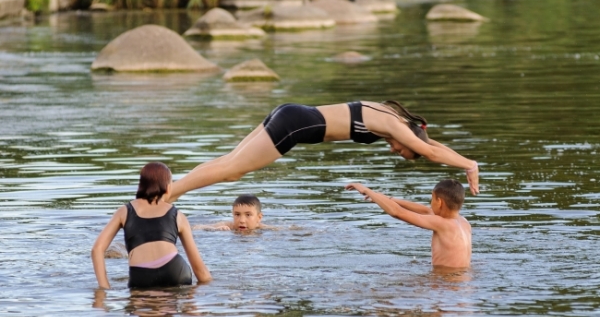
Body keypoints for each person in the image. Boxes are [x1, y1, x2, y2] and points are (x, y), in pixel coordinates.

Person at [170, 100, 479, 201]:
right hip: (294, 127)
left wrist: (463, 161)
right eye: (403, 152)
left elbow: (429, 145)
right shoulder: (396, 128)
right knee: (233, 170)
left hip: (291, 114)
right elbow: (431, 152)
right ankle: (170, 194)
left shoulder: (394, 121)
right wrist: (470, 164)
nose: (396, 151)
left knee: (229, 163)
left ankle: (172, 189)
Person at [91, 162, 212, 289]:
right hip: (174, 270)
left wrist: (104, 289)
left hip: (141, 276)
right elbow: (200, 271)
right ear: (167, 187)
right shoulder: (177, 215)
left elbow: (97, 249)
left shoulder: (124, 211)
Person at [346, 178, 472, 268]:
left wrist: (368, 191)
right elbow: (426, 211)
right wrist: (386, 198)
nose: (430, 203)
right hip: (463, 282)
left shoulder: (441, 223)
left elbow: (397, 212)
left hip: (445, 283)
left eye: (431, 199)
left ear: (439, 202)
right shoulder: (463, 222)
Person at [193, 194, 270, 232]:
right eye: (237, 214)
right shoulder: (229, 226)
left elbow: (279, 231)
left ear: (259, 217)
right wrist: (215, 229)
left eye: (248, 215)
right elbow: (196, 227)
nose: (242, 220)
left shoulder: (262, 228)